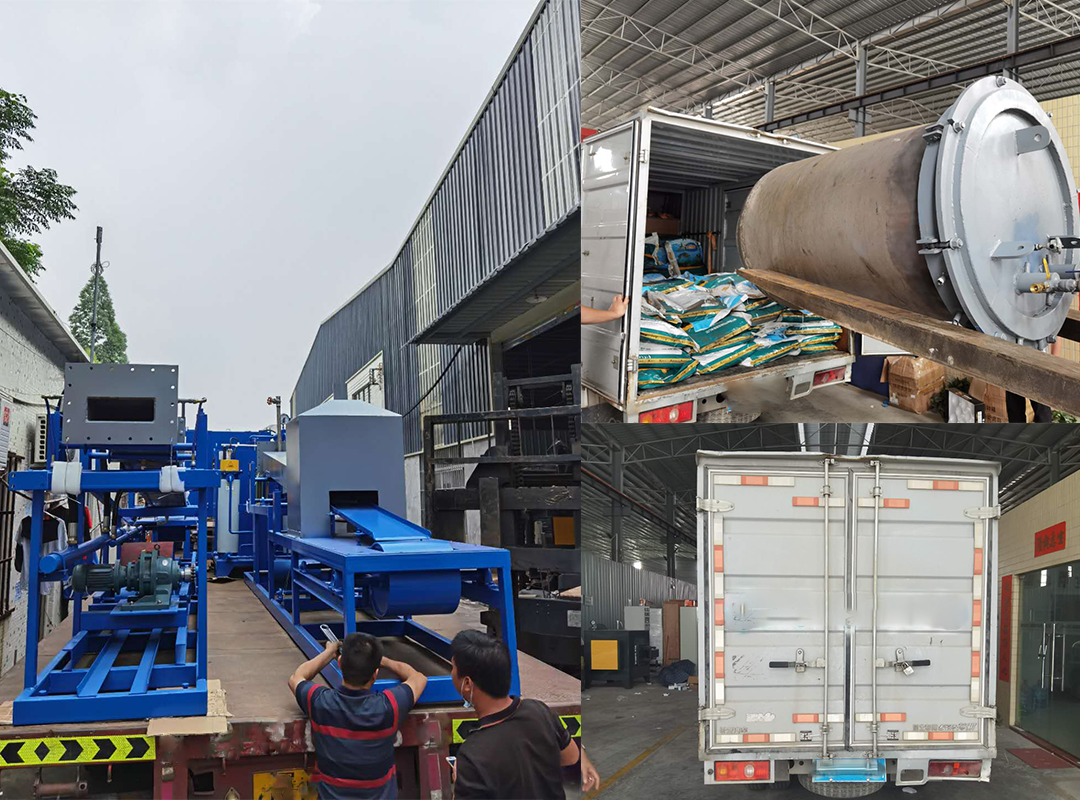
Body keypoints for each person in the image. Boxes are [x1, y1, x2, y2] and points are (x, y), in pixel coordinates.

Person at [449, 630, 599, 799]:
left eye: (453, 667)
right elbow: (571, 756)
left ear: (467, 683)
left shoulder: (472, 756)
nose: (451, 672)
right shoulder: (539, 711)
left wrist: (459, 781)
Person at [289, 633, 428, 799]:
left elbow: (296, 677)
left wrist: (329, 652)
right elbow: (419, 678)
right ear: (375, 674)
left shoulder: (320, 702)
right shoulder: (389, 706)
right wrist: (383, 661)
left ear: (340, 664)